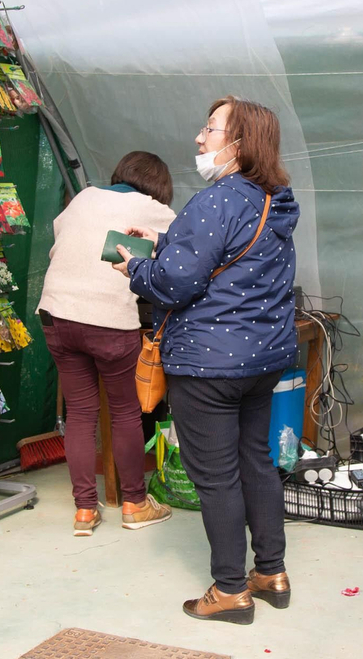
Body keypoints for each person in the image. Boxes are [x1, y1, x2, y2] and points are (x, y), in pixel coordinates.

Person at [112, 96, 300, 624]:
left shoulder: (216, 200)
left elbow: (174, 283)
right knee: (255, 463)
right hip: (261, 361)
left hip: (209, 364)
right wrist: (167, 239)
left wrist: (136, 268)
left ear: (239, 145)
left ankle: (229, 589)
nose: (200, 137)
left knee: (215, 477)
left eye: (211, 129)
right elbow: (231, 260)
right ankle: (271, 571)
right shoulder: (274, 200)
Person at [37, 152, 178, 536]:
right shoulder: (152, 208)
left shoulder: (83, 197)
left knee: (81, 414)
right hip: (107, 321)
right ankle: (134, 503)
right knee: (125, 413)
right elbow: (185, 250)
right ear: (159, 188)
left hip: (56, 312)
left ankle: (84, 510)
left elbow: (64, 239)